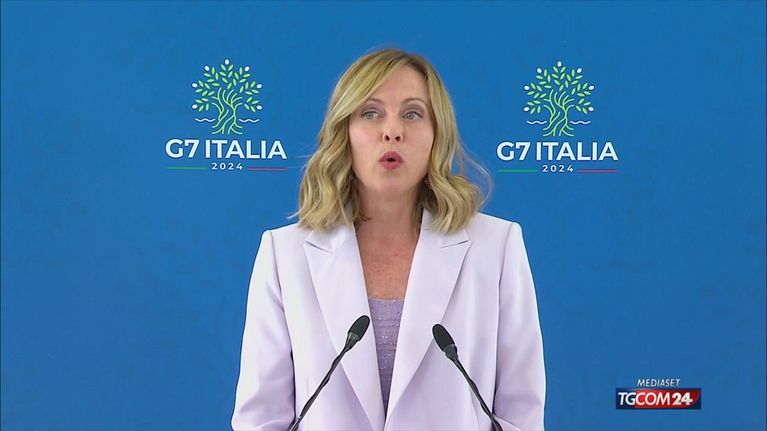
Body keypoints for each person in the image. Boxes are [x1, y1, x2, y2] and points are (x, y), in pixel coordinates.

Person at [231, 48, 545, 431]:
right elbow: (260, 420)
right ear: (344, 132)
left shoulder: (496, 247)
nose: (392, 131)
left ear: (437, 134)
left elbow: (521, 416)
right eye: (370, 113)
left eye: (412, 114)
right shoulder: (285, 256)